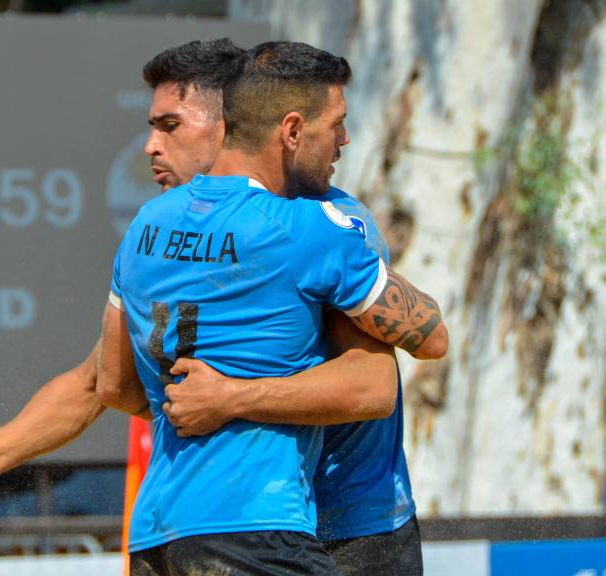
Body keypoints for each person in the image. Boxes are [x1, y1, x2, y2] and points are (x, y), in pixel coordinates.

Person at [0, 39, 443, 575]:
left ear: (227, 123)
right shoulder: (180, 230)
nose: (151, 146)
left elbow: (370, 384)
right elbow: (98, 381)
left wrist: (226, 399)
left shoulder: (325, 221)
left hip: (350, 524)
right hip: (259, 523)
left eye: (169, 126)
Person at [96, 40, 445, 575]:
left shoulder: (146, 225)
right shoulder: (316, 226)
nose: (344, 139)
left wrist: (201, 408)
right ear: (292, 130)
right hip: (267, 526)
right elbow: (418, 349)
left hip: (157, 532)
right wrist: (232, 400)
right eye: (336, 124)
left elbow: (113, 384)